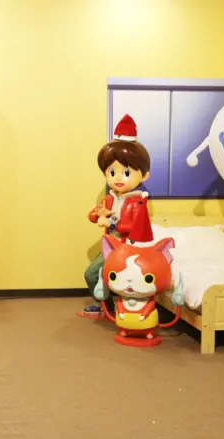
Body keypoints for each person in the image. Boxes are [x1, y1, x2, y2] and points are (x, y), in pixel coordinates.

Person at [78, 114, 154, 319]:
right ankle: (106, 304)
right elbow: (95, 215)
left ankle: (106, 304)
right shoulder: (111, 197)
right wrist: (97, 215)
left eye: (126, 173)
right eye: (112, 173)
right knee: (97, 273)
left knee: (93, 273)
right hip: (111, 244)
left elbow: (134, 227)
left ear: (144, 175)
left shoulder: (138, 200)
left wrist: (111, 221)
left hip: (126, 247)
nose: (118, 178)